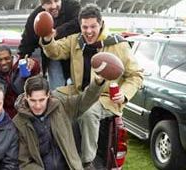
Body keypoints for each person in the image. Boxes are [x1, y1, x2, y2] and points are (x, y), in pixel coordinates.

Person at [40, 4, 143, 169]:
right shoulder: (76, 40)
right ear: (80, 25)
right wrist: (47, 38)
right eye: (84, 27)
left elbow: (136, 75)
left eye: (93, 26)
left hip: (105, 97)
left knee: (88, 112)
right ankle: (58, 150)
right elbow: (55, 51)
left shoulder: (118, 44)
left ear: (101, 24)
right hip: (81, 92)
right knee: (49, 101)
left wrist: (123, 95)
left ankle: (87, 161)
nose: (88, 31)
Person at [13, 75, 105, 170]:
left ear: (48, 95)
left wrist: (97, 83)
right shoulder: (18, 123)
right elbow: (24, 162)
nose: (38, 106)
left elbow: (83, 101)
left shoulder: (61, 105)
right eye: (33, 100)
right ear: (26, 97)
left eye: (41, 100)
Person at [18, 0, 81, 90]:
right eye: (48, 3)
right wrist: (23, 58)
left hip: (76, 56)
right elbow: (27, 41)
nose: (54, 6)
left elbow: (79, 22)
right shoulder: (36, 17)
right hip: (54, 59)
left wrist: (57, 32)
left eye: (56, 1)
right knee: (57, 92)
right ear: (42, 5)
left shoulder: (73, 6)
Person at [0, 45, 40, 118]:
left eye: (6, 58)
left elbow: (35, 70)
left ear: (12, 57)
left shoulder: (21, 66)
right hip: (3, 117)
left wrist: (33, 63)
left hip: (26, 113)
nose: (3, 62)